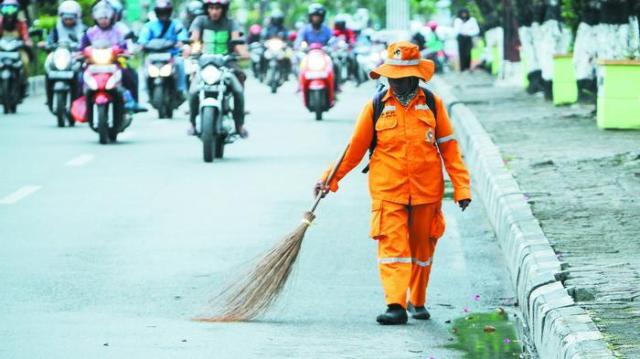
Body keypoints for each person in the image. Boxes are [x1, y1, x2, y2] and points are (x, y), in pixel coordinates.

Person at [315, 41, 471, 325]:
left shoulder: (433, 104)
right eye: (391, 76)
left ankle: (417, 299)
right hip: (388, 190)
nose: (395, 82)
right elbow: (354, 149)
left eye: (401, 77)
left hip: (427, 191)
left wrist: (462, 188)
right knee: (393, 248)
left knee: (423, 249)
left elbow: (449, 148)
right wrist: (329, 179)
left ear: (415, 76)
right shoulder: (375, 106)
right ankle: (395, 304)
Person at [188, 0, 249, 138]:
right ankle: (192, 123)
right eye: (211, 8)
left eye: (217, 8)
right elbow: (194, 39)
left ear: (223, 10)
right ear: (207, 9)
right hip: (204, 64)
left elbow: (236, 42)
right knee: (193, 91)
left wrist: (243, 53)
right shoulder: (200, 21)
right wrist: (189, 49)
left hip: (226, 63)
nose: (214, 11)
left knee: (238, 91)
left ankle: (239, 124)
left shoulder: (231, 23)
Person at [81, 0, 146, 112]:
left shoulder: (119, 30)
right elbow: (82, 47)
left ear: (112, 17)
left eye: (105, 18)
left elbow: (127, 45)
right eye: (100, 18)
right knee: (80, 76)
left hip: (115, 63)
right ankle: (81, 102)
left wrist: (128, 52)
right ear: (95, 18)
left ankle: (133, 101)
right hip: (94, 63)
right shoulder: (90, 32)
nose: (103, 21)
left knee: (130, 75)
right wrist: (80, 53)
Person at [138, 0, 188, 98]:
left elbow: (182, 37)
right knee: (143, 68)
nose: (163, 14)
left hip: (172, 55)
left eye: (165, 11)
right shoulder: (149, 26)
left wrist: (182, 43)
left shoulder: (176, 24)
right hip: (153, 57)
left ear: (170, 12)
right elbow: (142, 40)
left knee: (180, 63)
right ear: (156, 12)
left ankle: (181, 89)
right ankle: (145, 91)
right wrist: (141, 46)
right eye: (160, 12)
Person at [44, 0, 85, 109]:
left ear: (77, 17)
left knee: (82, 74)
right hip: (60, 56)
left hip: (75, 57)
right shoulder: (56, 28)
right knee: (48, 71)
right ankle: (49, 98)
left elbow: (87, 42)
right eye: (66, 18)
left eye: (71, 18)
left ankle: (81, 97)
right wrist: (47, 44)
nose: (68, 20)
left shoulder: (83, 29)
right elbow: (50, 40)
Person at [0, 0, 32, 98]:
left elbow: (25, 35)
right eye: (6, 8)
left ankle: (25, 81)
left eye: (12, 8)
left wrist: (27, 42)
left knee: (25, 61)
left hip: (17, 49)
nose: (9, 12)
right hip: (3, 49)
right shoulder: (0, 22)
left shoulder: (21, 22)